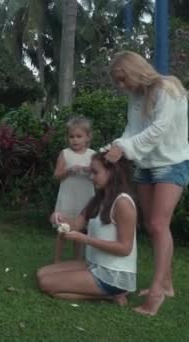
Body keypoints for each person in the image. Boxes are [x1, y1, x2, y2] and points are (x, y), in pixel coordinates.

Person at [104, 51, 189, 315]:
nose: (121, 86)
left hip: (171, 164)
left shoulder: (167, 88)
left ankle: (156, 292)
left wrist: (124, 148)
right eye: (117, 81)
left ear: (134, 70)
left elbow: (158, 129)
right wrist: (112, 148)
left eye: (122, 79)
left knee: (158, 223)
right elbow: (132, 131)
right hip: (146, 165)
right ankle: (167, 284)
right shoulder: (136, 96)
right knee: (152, 227)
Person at [37, 153, 137, 304]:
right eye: (90, 172)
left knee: (46, 283)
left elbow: (125, 248)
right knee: (41, 274)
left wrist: (86, 240)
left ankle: (112, 293)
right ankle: (107, 295)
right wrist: (59, 218)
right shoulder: (97, 200)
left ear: (112, 172)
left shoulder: (123, 203)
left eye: (95, 172)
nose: (91, 177)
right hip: (94, 264)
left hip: (113, 274)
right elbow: (76, 224)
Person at [52, 117, 96, 262]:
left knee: (80, 231)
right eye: (71, 136)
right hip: (67, 198)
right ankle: (57, 262)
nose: (75, 140)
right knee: (62, 230)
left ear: (88, 137)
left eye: (79, 136)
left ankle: (77, 261)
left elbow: (99, 176)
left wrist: (88, 170)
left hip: (85, 198)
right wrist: (69, 170)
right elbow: (57, 175)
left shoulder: (92, 155)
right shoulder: (65, 153)